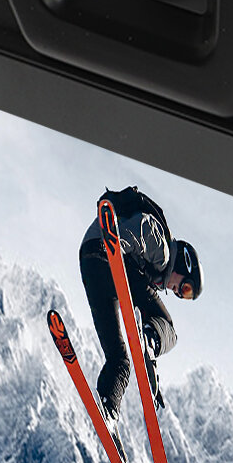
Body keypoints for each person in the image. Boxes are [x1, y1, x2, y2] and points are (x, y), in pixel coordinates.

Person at [79, 186, 201, 447]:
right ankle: (152, 339)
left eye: (185, 295)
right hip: (108, 253)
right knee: (169, 328)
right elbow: (142, 229)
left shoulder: (153, 270)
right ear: (184, 264)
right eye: (185, 288)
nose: (178, 292)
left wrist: (151, 374)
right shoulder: (164, 252)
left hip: (90, 262)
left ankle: (108, 409)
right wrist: (115, 246)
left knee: (120, 359)